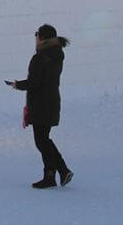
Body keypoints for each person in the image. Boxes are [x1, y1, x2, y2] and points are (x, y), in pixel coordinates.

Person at [8, 23, 74, 189]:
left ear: (42, 38)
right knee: (44, 139)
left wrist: (17, 85)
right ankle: (51, 175)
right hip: (51, 101)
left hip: (40, 104)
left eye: (37, 35)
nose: (35, 38)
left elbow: (34, 82)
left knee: (42, 141)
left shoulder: (40, 57)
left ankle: (62, 170)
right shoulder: (57, 54)